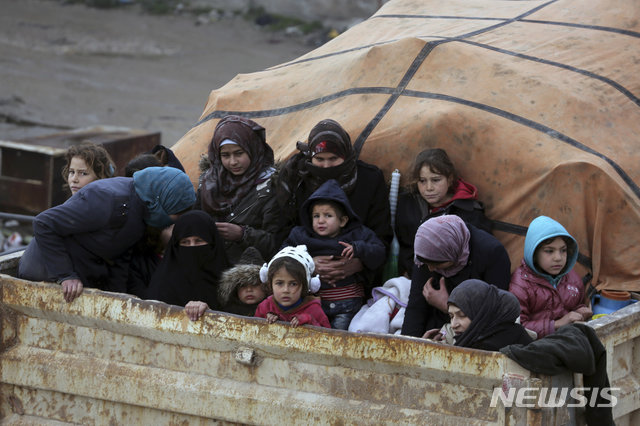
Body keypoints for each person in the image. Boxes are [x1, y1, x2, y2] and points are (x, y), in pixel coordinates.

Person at [18, 167, 196, 303]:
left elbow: (120, 254)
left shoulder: (142, 208)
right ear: (161, 199)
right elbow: (44, 223)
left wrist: (118, 297)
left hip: (80, 277)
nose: (179, 221)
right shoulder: (106, 199)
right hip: (44, 275)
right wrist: (66, 275)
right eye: (178, 213)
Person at [275, 119, 393, 294]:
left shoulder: (369, 179)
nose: (326, 166)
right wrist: (306, 263)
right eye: (319, 159)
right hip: (303, 284)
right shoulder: (297, 179)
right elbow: (282, 233)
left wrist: (359, 263)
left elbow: (381, 235)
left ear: (346, 155)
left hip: (356, 284)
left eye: (333, 158)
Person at [282, 179, 386, 329]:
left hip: (348, 303)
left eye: (328, 215)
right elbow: (284, 255)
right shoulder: (301, 236)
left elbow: (379, 252)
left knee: (339, 338)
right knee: (314, 336)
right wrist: (307, 262)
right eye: (316, 216)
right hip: (313, 304)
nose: (321, 221)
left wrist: (359, 249)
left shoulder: (357, 234)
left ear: (343, 221)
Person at [401, 215, 511, 338]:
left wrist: (448, 306)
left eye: (437, 264)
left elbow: (493, 316)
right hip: (435, 327)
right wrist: (410, 345)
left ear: (453, 253)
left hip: (477, 334)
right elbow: (416, 307)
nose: (430, 269)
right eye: (427, 264)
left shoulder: (492, 254)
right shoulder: (428, 249)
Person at [196, 115, 280, 264]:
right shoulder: (208, 184)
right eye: (225, 155)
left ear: (253, 149)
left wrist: (243, 234)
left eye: (239, 153)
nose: (233, 162)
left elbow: (277, 242)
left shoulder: (270, 187)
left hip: (250, 271)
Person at [396, 148, 491, 278]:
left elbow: (477, 256)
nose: (429, 188)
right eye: (422, 181)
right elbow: (404, 244)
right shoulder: (408, 204)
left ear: (450, 179)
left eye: (436, 180)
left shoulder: (469, 211)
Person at [509, 216, 591, 338]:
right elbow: (518, 326)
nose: (558, 258)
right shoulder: (521, 284)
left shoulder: (572, 278)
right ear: (534, 253)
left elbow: (576, 304)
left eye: (563, 250)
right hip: (535, 346)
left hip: (568, 340)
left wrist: (580, 311)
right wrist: (556, 324)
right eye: (549, 251)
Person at [147, 210, 229, 310]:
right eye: (185, 242)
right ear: (176, 246)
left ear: (212, 242)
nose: (192, 246)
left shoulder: (230, 281)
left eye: (198, 241)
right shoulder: (163, 283)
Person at [425, 279, 533, 351]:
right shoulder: (472, 338)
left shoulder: (484, 348)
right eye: (451, 316)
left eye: (462, 315)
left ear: (483, 313)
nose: (453, 325)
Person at [255, 245, 330, 328]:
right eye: (279, 283)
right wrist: (265, 323)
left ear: (304, 286)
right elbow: (253, 332)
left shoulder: (314, 310)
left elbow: (329, 334)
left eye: (293, 284)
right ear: (270, 284)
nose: (286, 290)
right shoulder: (265, 307)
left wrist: (310, 321)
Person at [189, 247, 269, 319]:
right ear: (235, 288)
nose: (249, 289)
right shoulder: (225, 311)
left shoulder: (272, 311)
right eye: (242, 285)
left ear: (266, 286)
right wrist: (204, 311)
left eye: (255, 284)